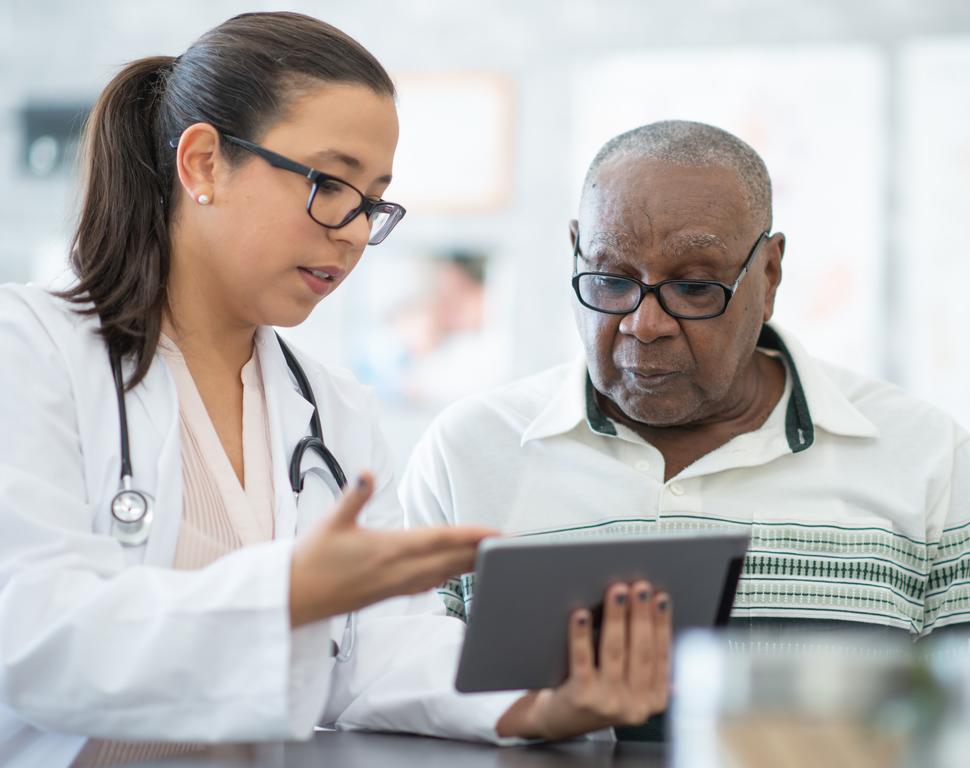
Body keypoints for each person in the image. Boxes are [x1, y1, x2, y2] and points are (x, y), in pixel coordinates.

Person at [0, 14, 671, 768]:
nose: (353, 231)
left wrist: (536, 702)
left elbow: (378, 650)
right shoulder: (28, 350)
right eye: (329, 183)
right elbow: (32, 636)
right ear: (204, 164)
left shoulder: (332, 408)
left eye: (373, 200)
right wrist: (289, 591)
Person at [401, 120, 970, 638]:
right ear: (575, 253)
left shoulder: (925, 456)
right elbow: (393, 687)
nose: (644, 326)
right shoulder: (469, 452)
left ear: (769, 275)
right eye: (609, 279)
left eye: (695, 287)